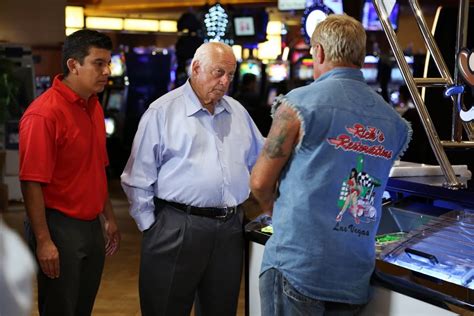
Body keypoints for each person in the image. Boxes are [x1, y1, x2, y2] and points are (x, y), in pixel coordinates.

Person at [250, 14, 411, 316]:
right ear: (360, 55)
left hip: (298, 264)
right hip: (353, 273)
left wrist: (276, 212)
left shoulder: (298, 104)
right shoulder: (394, 122)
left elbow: (259, 182)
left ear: (320, 52)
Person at [121, 42, 264, 316]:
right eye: (218, 72)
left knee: (221, 309)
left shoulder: (237, 112)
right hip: (177, 224)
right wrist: (152, 227)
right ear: (196, 68)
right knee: (165, 307)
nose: (224, 82)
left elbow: (261, 157)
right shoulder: (162, 112)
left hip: (230, 229)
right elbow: (137, 178)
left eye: (230, 76)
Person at [19, 29, 121, 316]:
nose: (106, 71)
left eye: (108, 63)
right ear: (73, 65)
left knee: (82, 307)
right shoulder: (44, 114)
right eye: (98, 63)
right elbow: (31, 183)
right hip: (57, 226)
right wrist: (43, 240)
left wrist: (109, 217)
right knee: (59, 308)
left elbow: (97, 166)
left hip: (90, 225)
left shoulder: (94, 105)